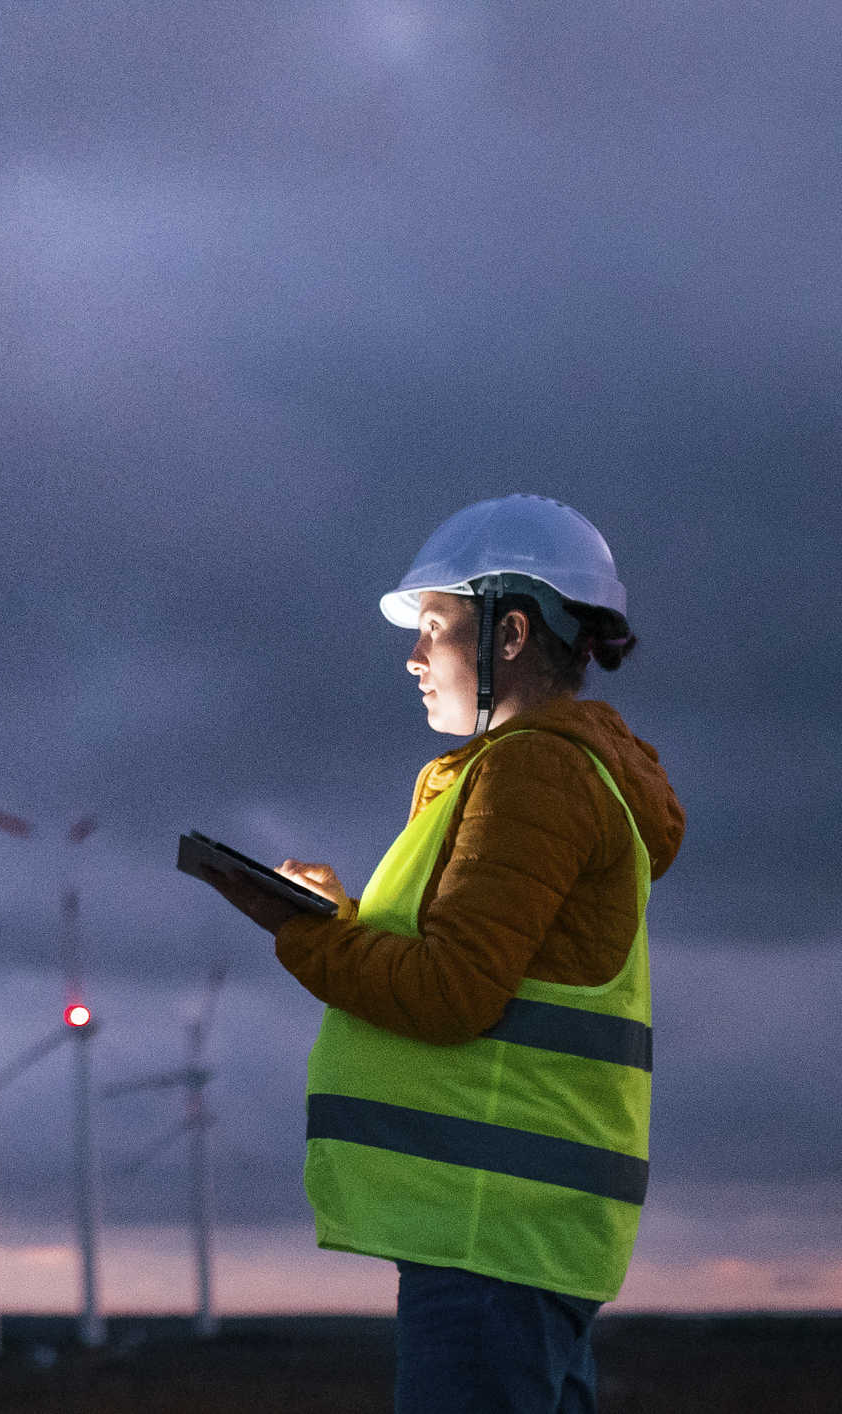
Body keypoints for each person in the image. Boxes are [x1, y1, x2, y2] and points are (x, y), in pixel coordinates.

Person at [196, 494, 684, 1413]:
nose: (414, 658)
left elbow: (454, 990)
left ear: (508, 634)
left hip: (491, 1233)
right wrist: (340, 915)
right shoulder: (554, 772)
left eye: (432, 626)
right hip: (517, 1235)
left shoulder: (533, 772)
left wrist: (300, 929)